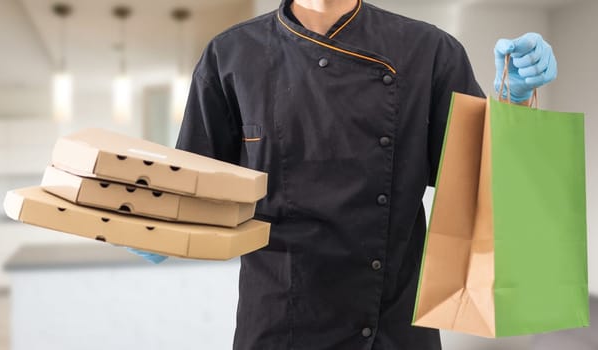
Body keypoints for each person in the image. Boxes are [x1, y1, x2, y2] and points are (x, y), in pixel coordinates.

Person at [128, 0, 558, 349]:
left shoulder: (429, 50)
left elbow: (480, 182)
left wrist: (512, 102)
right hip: (279, 324)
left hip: (392, 325)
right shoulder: (231, 55)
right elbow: (194, 186)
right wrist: (148, 225)